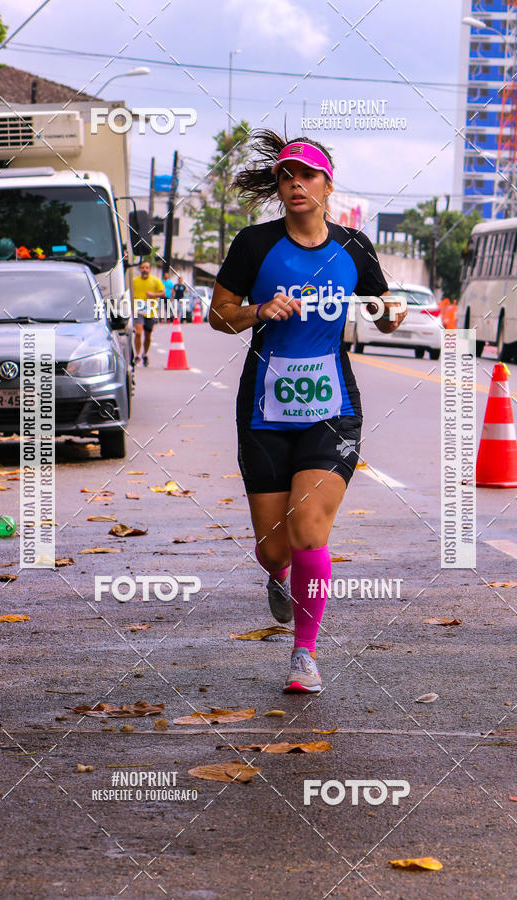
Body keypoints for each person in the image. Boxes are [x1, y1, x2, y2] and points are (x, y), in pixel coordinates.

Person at [209, 130, 406, 694]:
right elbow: (219, 315)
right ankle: (280, 575)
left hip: (332, 407)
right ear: (279, 187)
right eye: (286, 176)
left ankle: (305, 654)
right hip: (264, 408)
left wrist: (388, 313)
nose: (296, 184)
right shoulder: (254, 244)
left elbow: (383, 307)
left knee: (308, 528)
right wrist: (257, 310)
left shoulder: (353, 248)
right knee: (275, 546)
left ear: (327, 185)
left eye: (307, 175)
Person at [133, 260, 165, 367]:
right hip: (138, 311)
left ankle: (145, 354)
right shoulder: (134, 281)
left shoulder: (155, 281)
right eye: (143, 268)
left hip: (151, 311)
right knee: (138, 332)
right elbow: (128, 292)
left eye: (147, 268)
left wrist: (153, 294)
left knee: (148, 335)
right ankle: (137, 355)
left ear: (150, 270)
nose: (145, 270)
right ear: (139, 270)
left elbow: (163, 293)